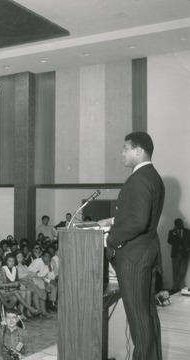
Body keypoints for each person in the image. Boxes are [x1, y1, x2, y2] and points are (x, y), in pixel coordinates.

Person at [98, 132, 165, 360]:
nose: (123, 153)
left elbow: (138, 221)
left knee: (138, 319)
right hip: (146, 251)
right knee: (147, 315)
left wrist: (110, 239)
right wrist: (113, 221)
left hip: (134, 256)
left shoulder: (139, 178)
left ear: (138, 151)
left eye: (126, 148)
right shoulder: (152, 176)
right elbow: (139, 215)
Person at [167, 218, 190, 292]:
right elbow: (169, 241)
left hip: (185, 253)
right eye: (179, 224)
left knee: (182, 271)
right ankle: (176, 288)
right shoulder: (171, 232)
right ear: (176, 225)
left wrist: (188, 248)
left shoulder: (188, 231)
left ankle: (174, 287)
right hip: (175, 254)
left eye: (181, 223)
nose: (181, 225)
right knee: (175, 271)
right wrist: (174, 233)